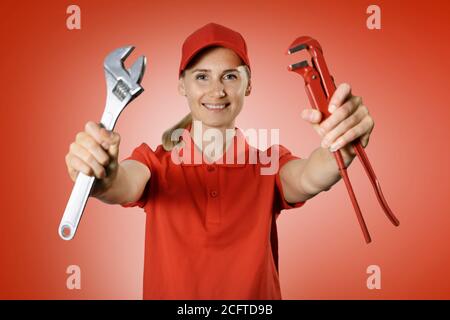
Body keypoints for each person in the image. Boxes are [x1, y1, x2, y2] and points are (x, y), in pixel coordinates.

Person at [64, 22, 374, 299]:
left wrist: (341, 149)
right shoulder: (155, 162)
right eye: (202, 77)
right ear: (182, 85)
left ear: (247, 85)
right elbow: (122, 183)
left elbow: (308, 176)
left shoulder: (267, 162)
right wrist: (100, 176)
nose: (217, 90)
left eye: (229, 76)